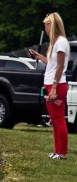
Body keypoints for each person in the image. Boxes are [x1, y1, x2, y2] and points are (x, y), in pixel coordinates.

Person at [30, 12, 70, 160]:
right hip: (51, 84)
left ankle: (62, 152)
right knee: (54, 119)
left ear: (52, 25)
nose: (45, 27)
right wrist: (38, 57)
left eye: (47, 24)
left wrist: (53, 87)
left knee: (59, 119)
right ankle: (57, 150)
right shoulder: (55, 43)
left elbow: (59, 67)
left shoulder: (60, 42)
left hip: (57, 85)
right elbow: (51, 63)